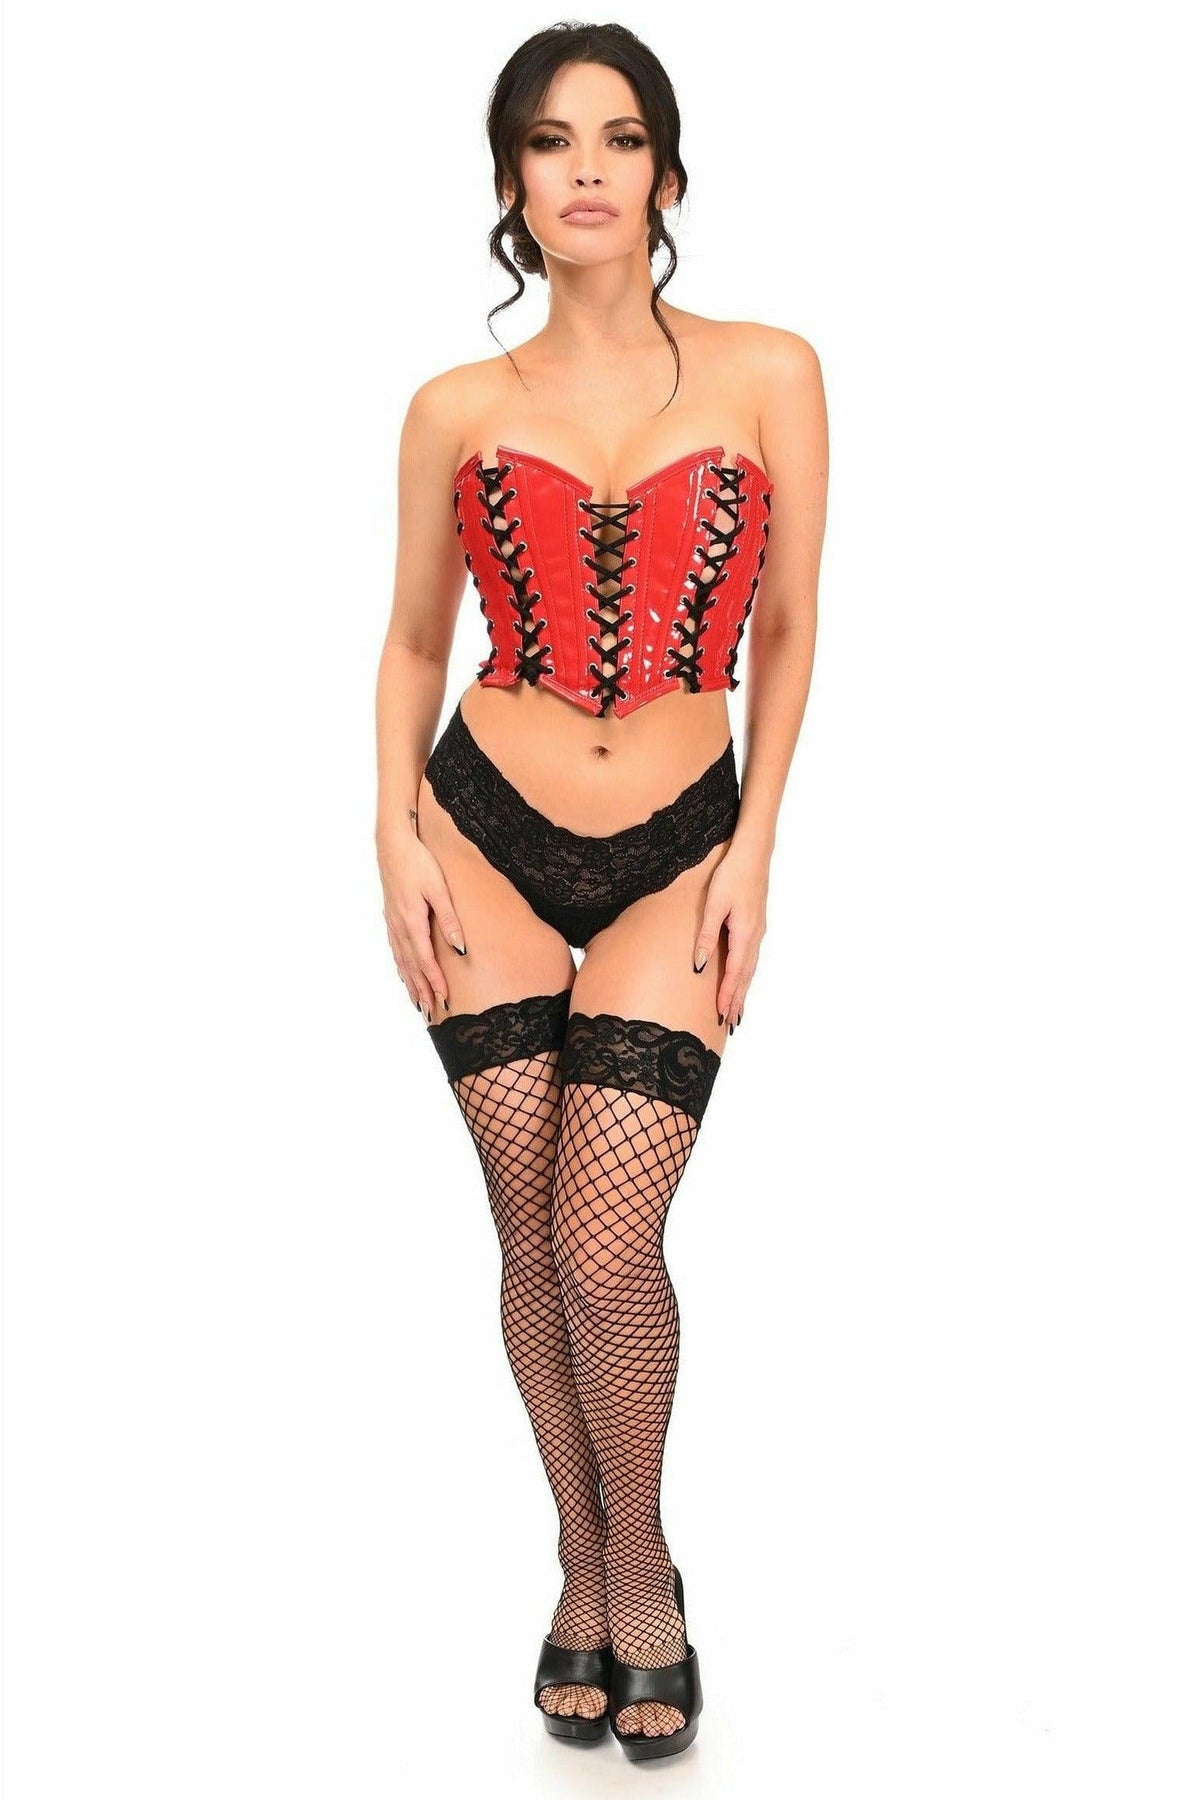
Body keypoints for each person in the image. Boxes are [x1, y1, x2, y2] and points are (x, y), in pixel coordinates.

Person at [374, 22, 827, 1762]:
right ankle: (587, 1563)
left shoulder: (770, 372)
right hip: (480, 830)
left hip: (679, 845)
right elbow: (416, 641)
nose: (586, 167)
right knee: (529, 1239)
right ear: (511, 179)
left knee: (605, 1242)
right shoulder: (454, 407)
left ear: (666, 173)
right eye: (552, 140)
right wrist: (392, 834)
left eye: (620, 138)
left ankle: (646, 1565)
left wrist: (756, 845)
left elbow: (787, 626)